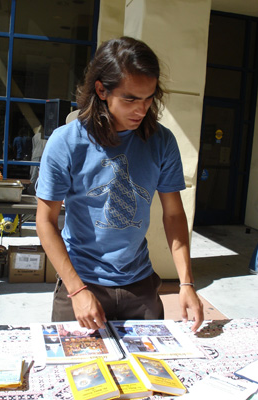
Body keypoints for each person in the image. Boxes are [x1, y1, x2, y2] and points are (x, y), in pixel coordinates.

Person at [36, 37, 204, 333]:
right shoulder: (66, 142)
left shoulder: (161, 141)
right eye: (130, 99)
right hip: (80, 283)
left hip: (140, 287)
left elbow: (174, 215)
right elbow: (45, 222)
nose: (141, 109)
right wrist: (76, 290)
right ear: (101, 90)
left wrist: (186, 282)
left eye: (149, 98)